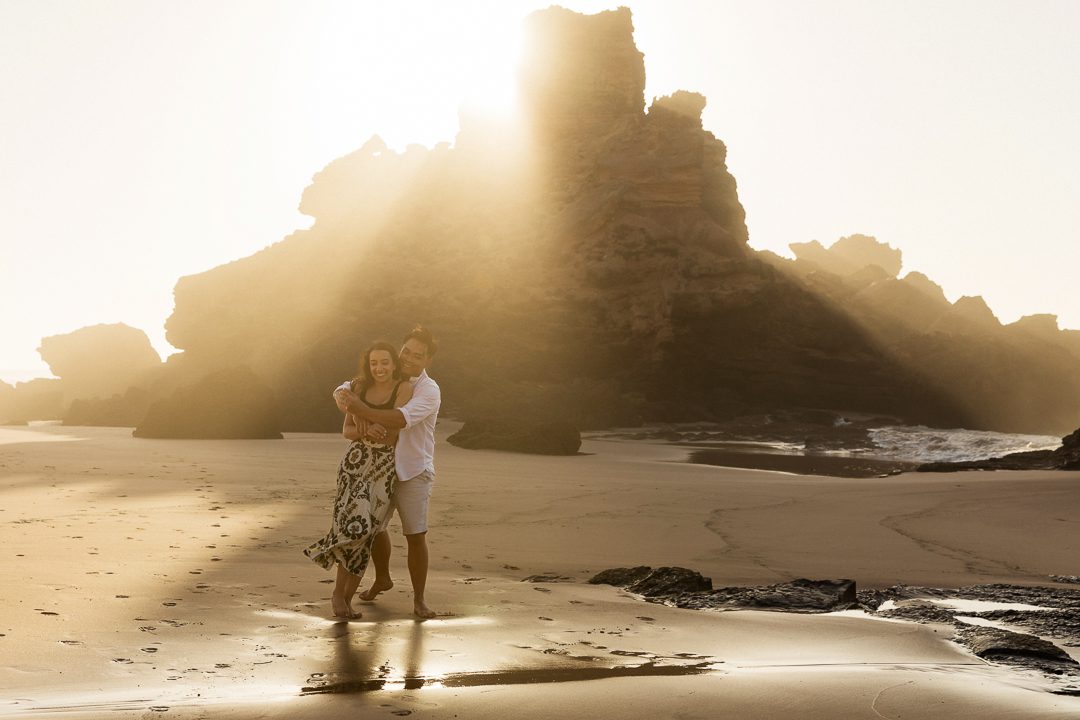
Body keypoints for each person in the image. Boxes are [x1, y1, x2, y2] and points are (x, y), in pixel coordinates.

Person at [334, 325, 441, 619]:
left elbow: (398, 419)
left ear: (427, 360)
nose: (409, 358)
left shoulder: (428, 390)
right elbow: (347, 386)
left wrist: (358, 409)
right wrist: (342, 394)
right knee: (373, 529)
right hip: (379, 469)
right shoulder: (389, 375)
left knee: (415, 534)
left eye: (417, 355)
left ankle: (419, 601)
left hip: (413, 470)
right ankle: (382, 578)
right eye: (406, 351)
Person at [304, 341, 413, 619]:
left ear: (394, 364)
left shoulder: (403, 388)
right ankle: (339, 598)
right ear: (368, 364)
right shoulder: (359, 387)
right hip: (353, 466)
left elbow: (392, 434)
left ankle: (343, 596)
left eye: (385, 362)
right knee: (349, 529)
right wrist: (367, 425)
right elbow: (348, 431)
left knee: (363, 531)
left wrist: (362, 415)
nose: (379, 368)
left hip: (383, 469)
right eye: (374, 363)